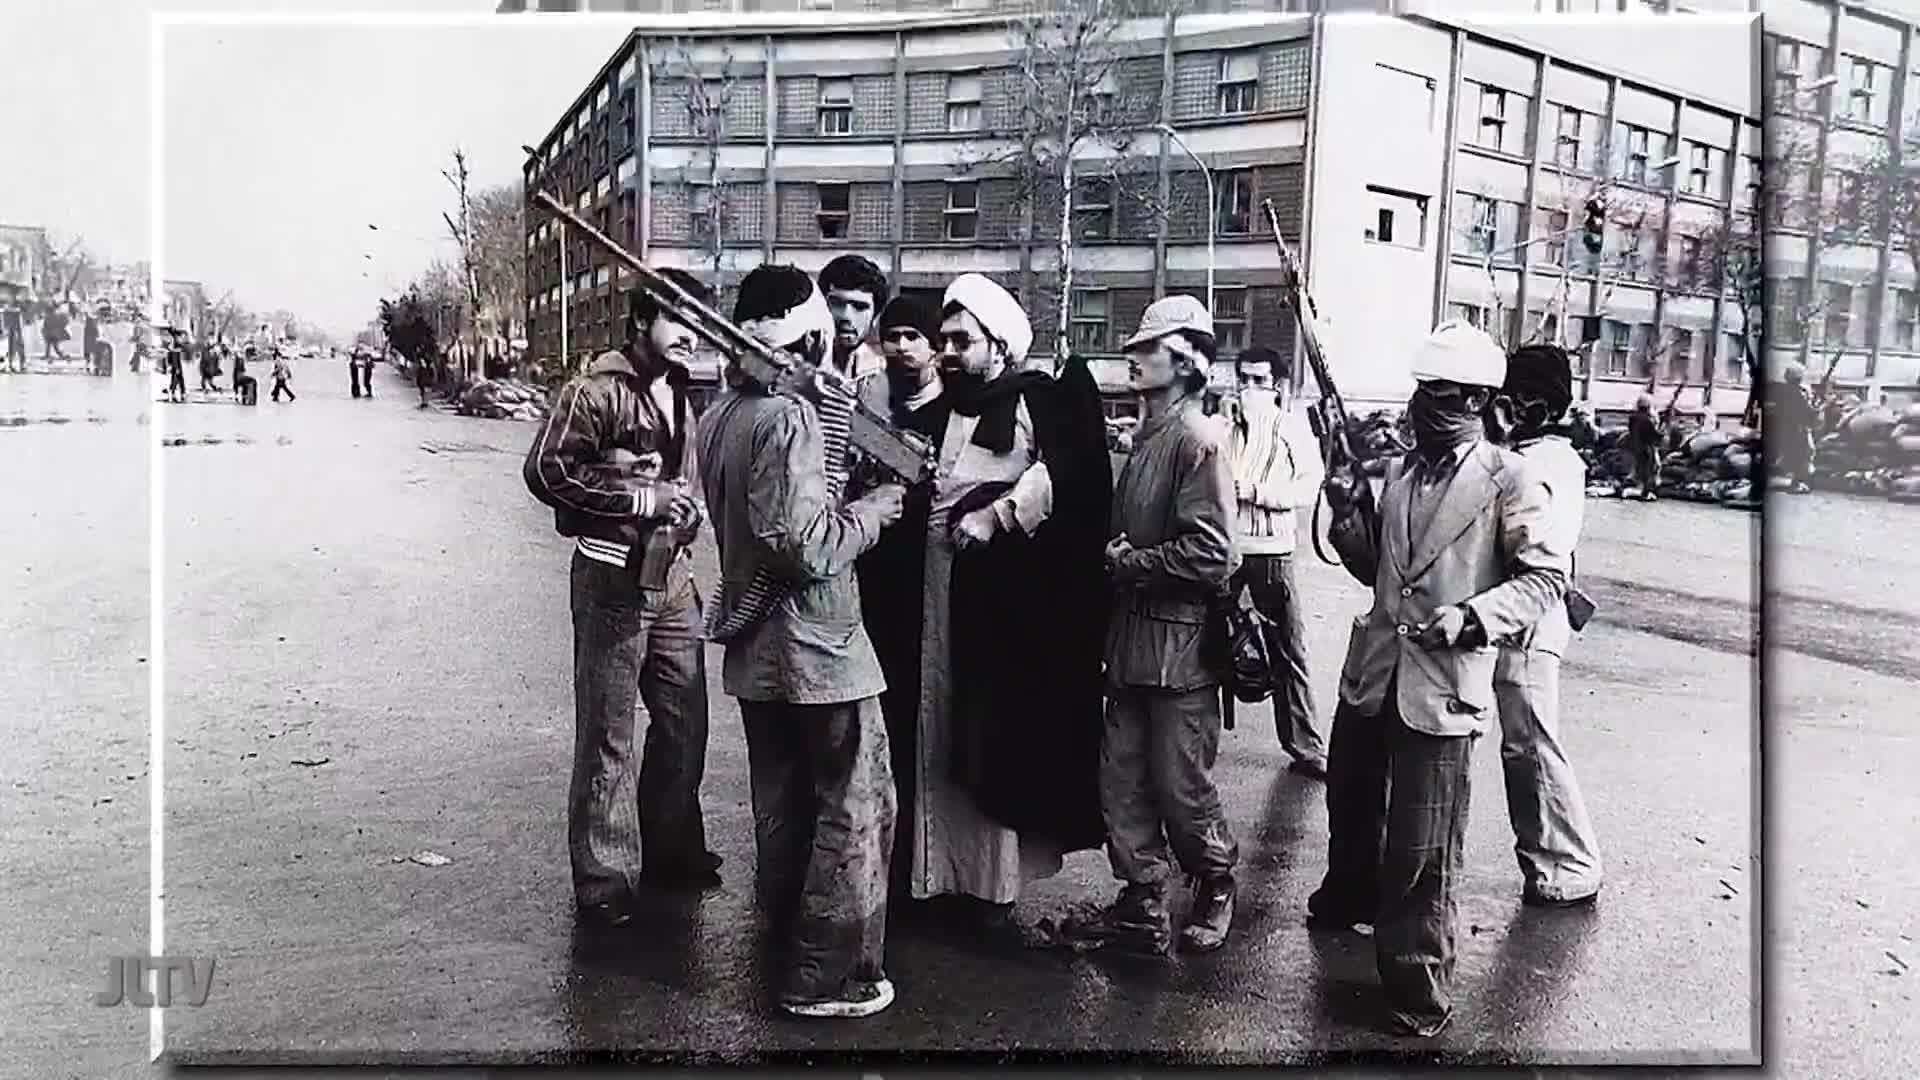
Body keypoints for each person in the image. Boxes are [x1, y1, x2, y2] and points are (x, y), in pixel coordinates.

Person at [1312, 321, 1570, 1037]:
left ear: (1481, 401)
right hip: (1374, 674)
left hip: (1444, 683)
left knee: (1423, 848)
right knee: (1353, 810)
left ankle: (1418, 987)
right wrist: (1343, 513)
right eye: (1423, 392)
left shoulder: (1510, 478)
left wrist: (1474, 618)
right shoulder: (1400, 472)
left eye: (1445, 396)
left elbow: (1546, 578)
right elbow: (1376, 573)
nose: (1426, 407)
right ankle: (1350, 905)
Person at [694, 264, 907, 1019]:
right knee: (856, 805)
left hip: (761, 651)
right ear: (810, 333)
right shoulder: (787, 416)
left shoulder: (722, 412)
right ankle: (828, 976)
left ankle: (786, 946)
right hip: (819, 646)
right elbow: (802, 545)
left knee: (782, 806)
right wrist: (877, 511)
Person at [900, 273, 1111, 924]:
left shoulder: (1033, 400)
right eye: (945, 340)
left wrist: (997, 517)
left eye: (963, 340)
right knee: (933, 730)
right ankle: (938, 880)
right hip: (934, 591)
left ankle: (989, 890)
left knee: (988, 735)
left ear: (999, 342)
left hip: (1000, 600)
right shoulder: (942, 403)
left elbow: (1066, 473)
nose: (950, 351)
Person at [522, 268, 721, 929]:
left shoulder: (683, 392)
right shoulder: (595, 390)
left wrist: (684, 511)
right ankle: (605, 881)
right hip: (611, 578)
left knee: (685, 722)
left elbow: (683, 483)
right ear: (641, 322)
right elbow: (546, 472)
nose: (690, 332)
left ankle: (670, 850)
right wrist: (637, 498)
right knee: (609, 737)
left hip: (674, 577)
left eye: (697, 319)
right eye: (677, 319)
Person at [1091, 295, 1240, 956]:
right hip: (1131, 643)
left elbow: (1215, 554)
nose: (1133, 355)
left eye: (1147, 347)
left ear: (1183, 359)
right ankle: (1143, 896)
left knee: (1182, 784)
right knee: (1121, 780)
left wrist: (1133, 564)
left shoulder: (1195, 440)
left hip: (1179, 647)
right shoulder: (1149, 436)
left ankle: (1214, 881)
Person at [1487, 344, 1604, 908]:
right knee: (1523, 743)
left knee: (1532, 742)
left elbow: (1534, 548)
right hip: (1520, 614)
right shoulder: (1530, 454)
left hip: (1532, 617)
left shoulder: (1550, 461)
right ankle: (1548, 858)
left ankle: (1570, 861)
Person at [850, 294, 952, 899]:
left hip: (929, 583)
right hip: (870, 577)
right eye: (892, 335)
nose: (901, 346)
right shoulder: (866, 401)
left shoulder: (957, 410)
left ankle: (919, 861)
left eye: (915, 335)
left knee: (920, 725)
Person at [1225, 344, 1327, 779]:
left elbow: (1309, 485)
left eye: (1259, 381)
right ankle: (1195, 737)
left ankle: (1304, 745)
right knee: (1209, 642)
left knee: (1287, 646)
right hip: (1225, 550)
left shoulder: (1291, 427)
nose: (1250, 389)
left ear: (1278, 386)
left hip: (1270, 550)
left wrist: (1257, 493)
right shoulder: (1225, 427)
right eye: (1243, 379)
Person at [818, 254, 888, 389]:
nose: (846, 316)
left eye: (859, 307)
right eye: (837, 304)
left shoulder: (883, 375)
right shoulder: (795, 368)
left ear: (875, 317)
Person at [1767, 363, 1817, 494]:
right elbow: (1807, 413)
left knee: (1794, 457)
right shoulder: (1796, 394)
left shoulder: (1782, 391)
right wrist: (1817, 408)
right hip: (1797, 429)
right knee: (1802, 456)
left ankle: (1796, 481)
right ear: (1799, 378)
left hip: (1785, 429)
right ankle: (1798, 483)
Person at [1624, 394, 1662, 500]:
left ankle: (1638, 489)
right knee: (1648, 471)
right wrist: (1660, 430)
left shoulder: (1633, 418)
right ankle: (1645, 492)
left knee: (1638, 469)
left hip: (1635, 447)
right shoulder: (1647, 420)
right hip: (1646, 448)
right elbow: (1653, 436)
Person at [165, 329, 188, 403]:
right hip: (176, 365)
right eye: (181, 337)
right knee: (176, 380)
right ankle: (172, 393)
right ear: (178, 337)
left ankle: (181, 393)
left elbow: (183, 348)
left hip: (177, 365)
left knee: (179, 379)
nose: (182, 339)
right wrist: (176, 368)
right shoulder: (175, 345)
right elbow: (174, 357)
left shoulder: (177, 344)